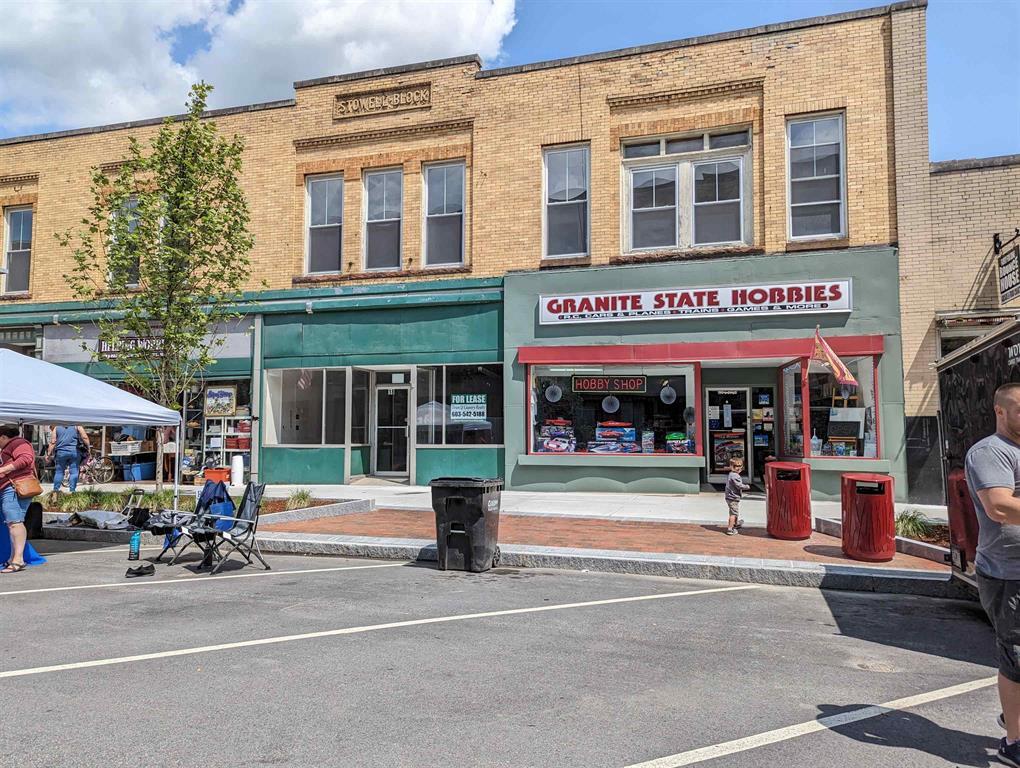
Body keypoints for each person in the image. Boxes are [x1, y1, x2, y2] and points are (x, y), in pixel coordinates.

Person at [965, 382, 1020, 767]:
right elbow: (1000, 506)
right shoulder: (989, 452)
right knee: (1017, 655)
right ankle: (1014, 739)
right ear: (999, 411)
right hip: (1008, 574)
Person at [0, 425, 38, 573]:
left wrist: (3, 469)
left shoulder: (18, 443)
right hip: (12, 487)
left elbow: (26, 459)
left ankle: (18, 559)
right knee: (13, 523)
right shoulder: (12, 445)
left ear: (3, 437)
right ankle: (14, 557)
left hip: (15, 487)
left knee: (15, 522)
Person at [47, 424, 90, 493]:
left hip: (61, 453)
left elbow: (53, 442)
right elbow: (84, 437)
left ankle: (55, 491)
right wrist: (88, 448)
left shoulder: (57, 427)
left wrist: (48, 454)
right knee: (74, 471)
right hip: (74, 452)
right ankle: (72, 491)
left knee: (59, 472)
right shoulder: (77, 426)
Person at [724, 457, 749, 535]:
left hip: (730, 497)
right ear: (731, 466)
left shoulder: (731, 474)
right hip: (733, 497)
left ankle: (736, 523)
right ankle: (730, 529)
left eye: (740, 466)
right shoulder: (735, 476)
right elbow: (739, 485)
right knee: (733, 513)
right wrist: (747, 487)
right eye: (736, 466)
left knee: (734, 512)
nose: (739, 468)